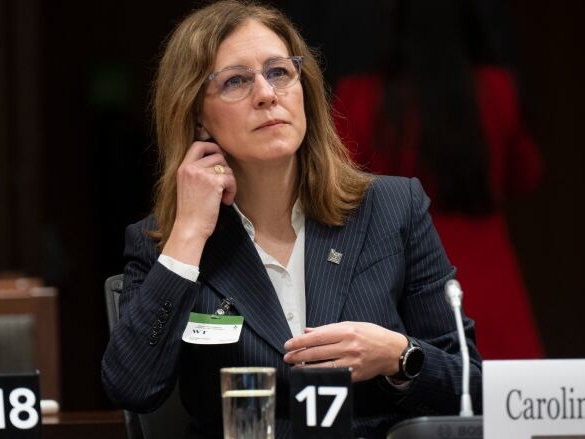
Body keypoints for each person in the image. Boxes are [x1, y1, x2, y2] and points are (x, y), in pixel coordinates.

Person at [101, 1, 482, 438]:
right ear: (197, 117)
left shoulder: (392, 209)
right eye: (236, 81)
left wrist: (400, 356)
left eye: (279, 72)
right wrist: (188, 234)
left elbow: (472, 383)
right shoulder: (166, 244)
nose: (267, 93)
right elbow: (131, 387)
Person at [334, 0, 544, 359]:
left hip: (395, 271)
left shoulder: (359, 96)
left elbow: (337, 188)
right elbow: (527, 175)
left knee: (414, 382)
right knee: (505, 395)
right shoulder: (496, 90)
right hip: (489, 269)